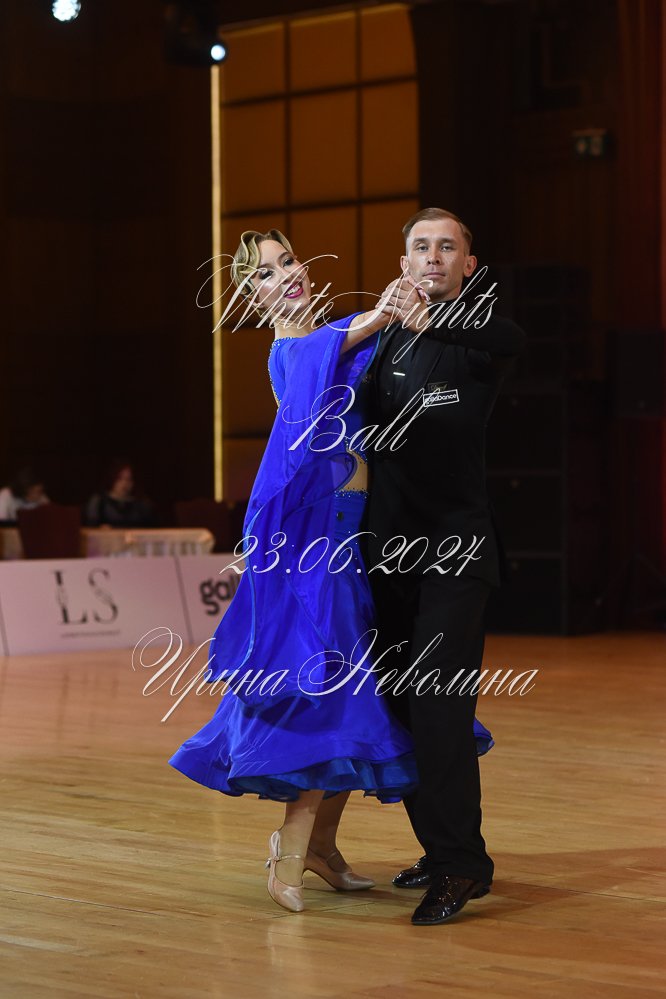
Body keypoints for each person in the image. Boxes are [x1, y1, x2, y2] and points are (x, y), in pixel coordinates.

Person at [168, 229, 419, 914]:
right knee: (332, 692)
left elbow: (358, 344)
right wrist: (385, 309)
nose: (286, 274)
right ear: (252, 297)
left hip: (352, 537)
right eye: (265, 272)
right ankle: (292, 844)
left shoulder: (333, 338)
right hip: (314, 547)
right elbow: (332, 347)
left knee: (357, 694)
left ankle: (322, 847)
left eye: (288, 260)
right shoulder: (293, 351)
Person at [364, 207, 526, 925]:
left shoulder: (476, 335)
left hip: (456, 553)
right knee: (401, 708)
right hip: (387, 554)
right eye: (420, 246)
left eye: (447, 247)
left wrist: (436, 321)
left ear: (468, 263)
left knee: (439, 706)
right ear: (404, 261)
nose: (433, 256)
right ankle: (441, 848)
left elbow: (511, 336)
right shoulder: (385, 338)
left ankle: (462, 865)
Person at [85, 460, 155, 528]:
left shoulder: (142, 504)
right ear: (112, 479)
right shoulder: (99, 502)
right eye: (120, 479)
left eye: (129, 479)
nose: (124, 483)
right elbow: (90, 526)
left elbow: (151, 528)